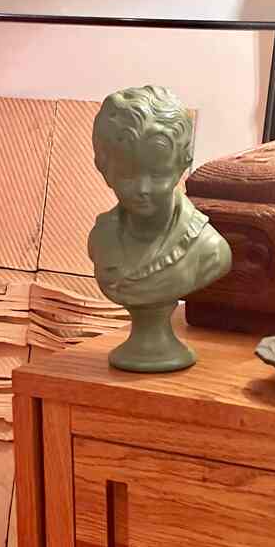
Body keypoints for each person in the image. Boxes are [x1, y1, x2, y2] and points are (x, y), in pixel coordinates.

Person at [88, 85, 231, 370]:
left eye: (157, 174)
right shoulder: (101, 239)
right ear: (104, 169)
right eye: (127, 174)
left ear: (182, 165)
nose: (143, 188)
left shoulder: (210, 250)